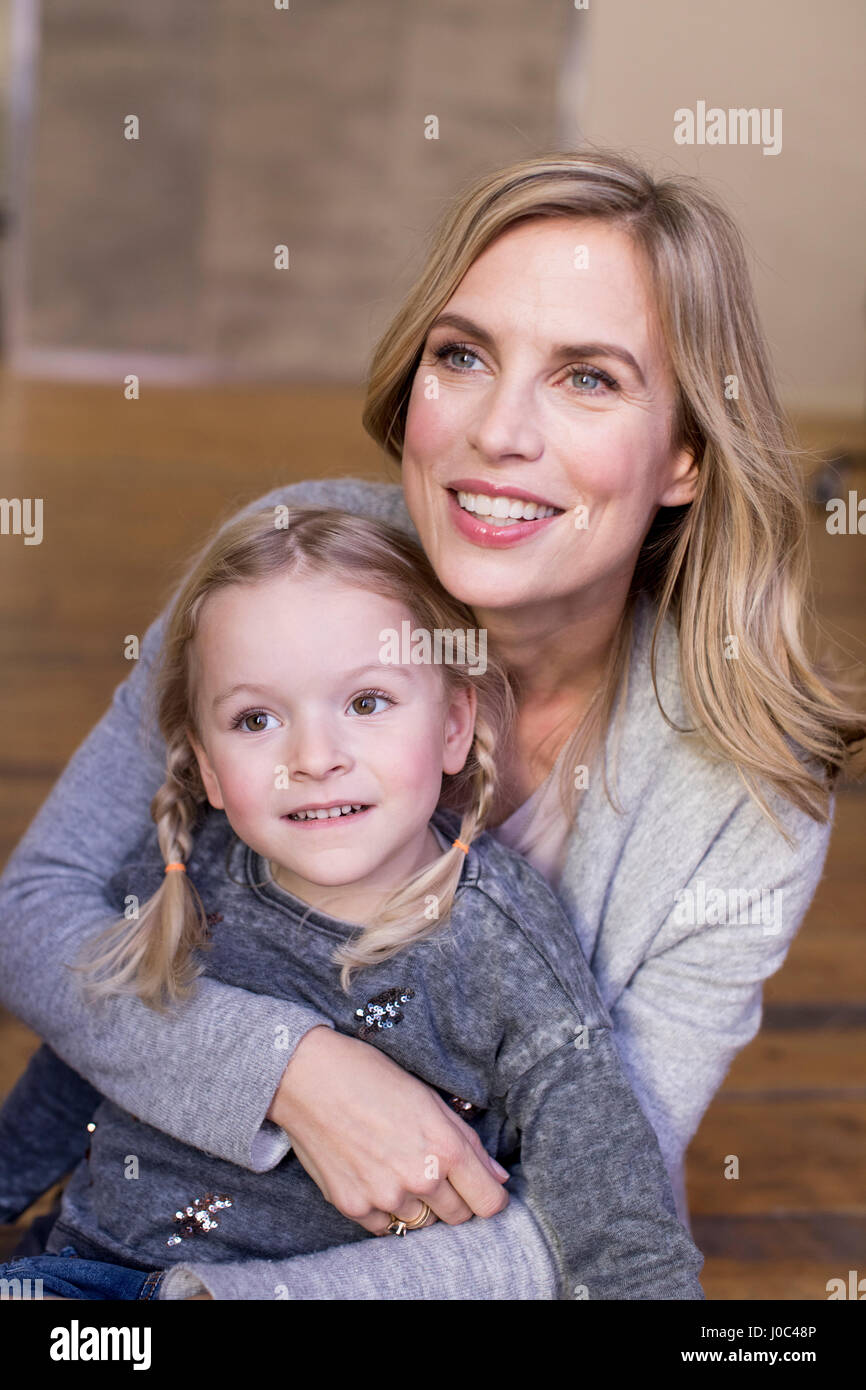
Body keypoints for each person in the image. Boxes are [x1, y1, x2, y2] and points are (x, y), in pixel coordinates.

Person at [0, 150, 861, 1301]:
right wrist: (291, 1072)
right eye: (462, 356)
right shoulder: (279, 575)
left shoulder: (746, 795)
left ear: (686, 456)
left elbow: (596, 1218)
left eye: (587, 378)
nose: (495, 433)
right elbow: (39, 916)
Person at [0, 507, 705, 1301]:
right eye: (256, 719)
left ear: (453, 726)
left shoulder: (501, 944)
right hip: (88, 1272)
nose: (314, 758)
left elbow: (603, 1175)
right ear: (206, 767)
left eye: (366, 703)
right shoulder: (186, 869)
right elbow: (90, 1051)